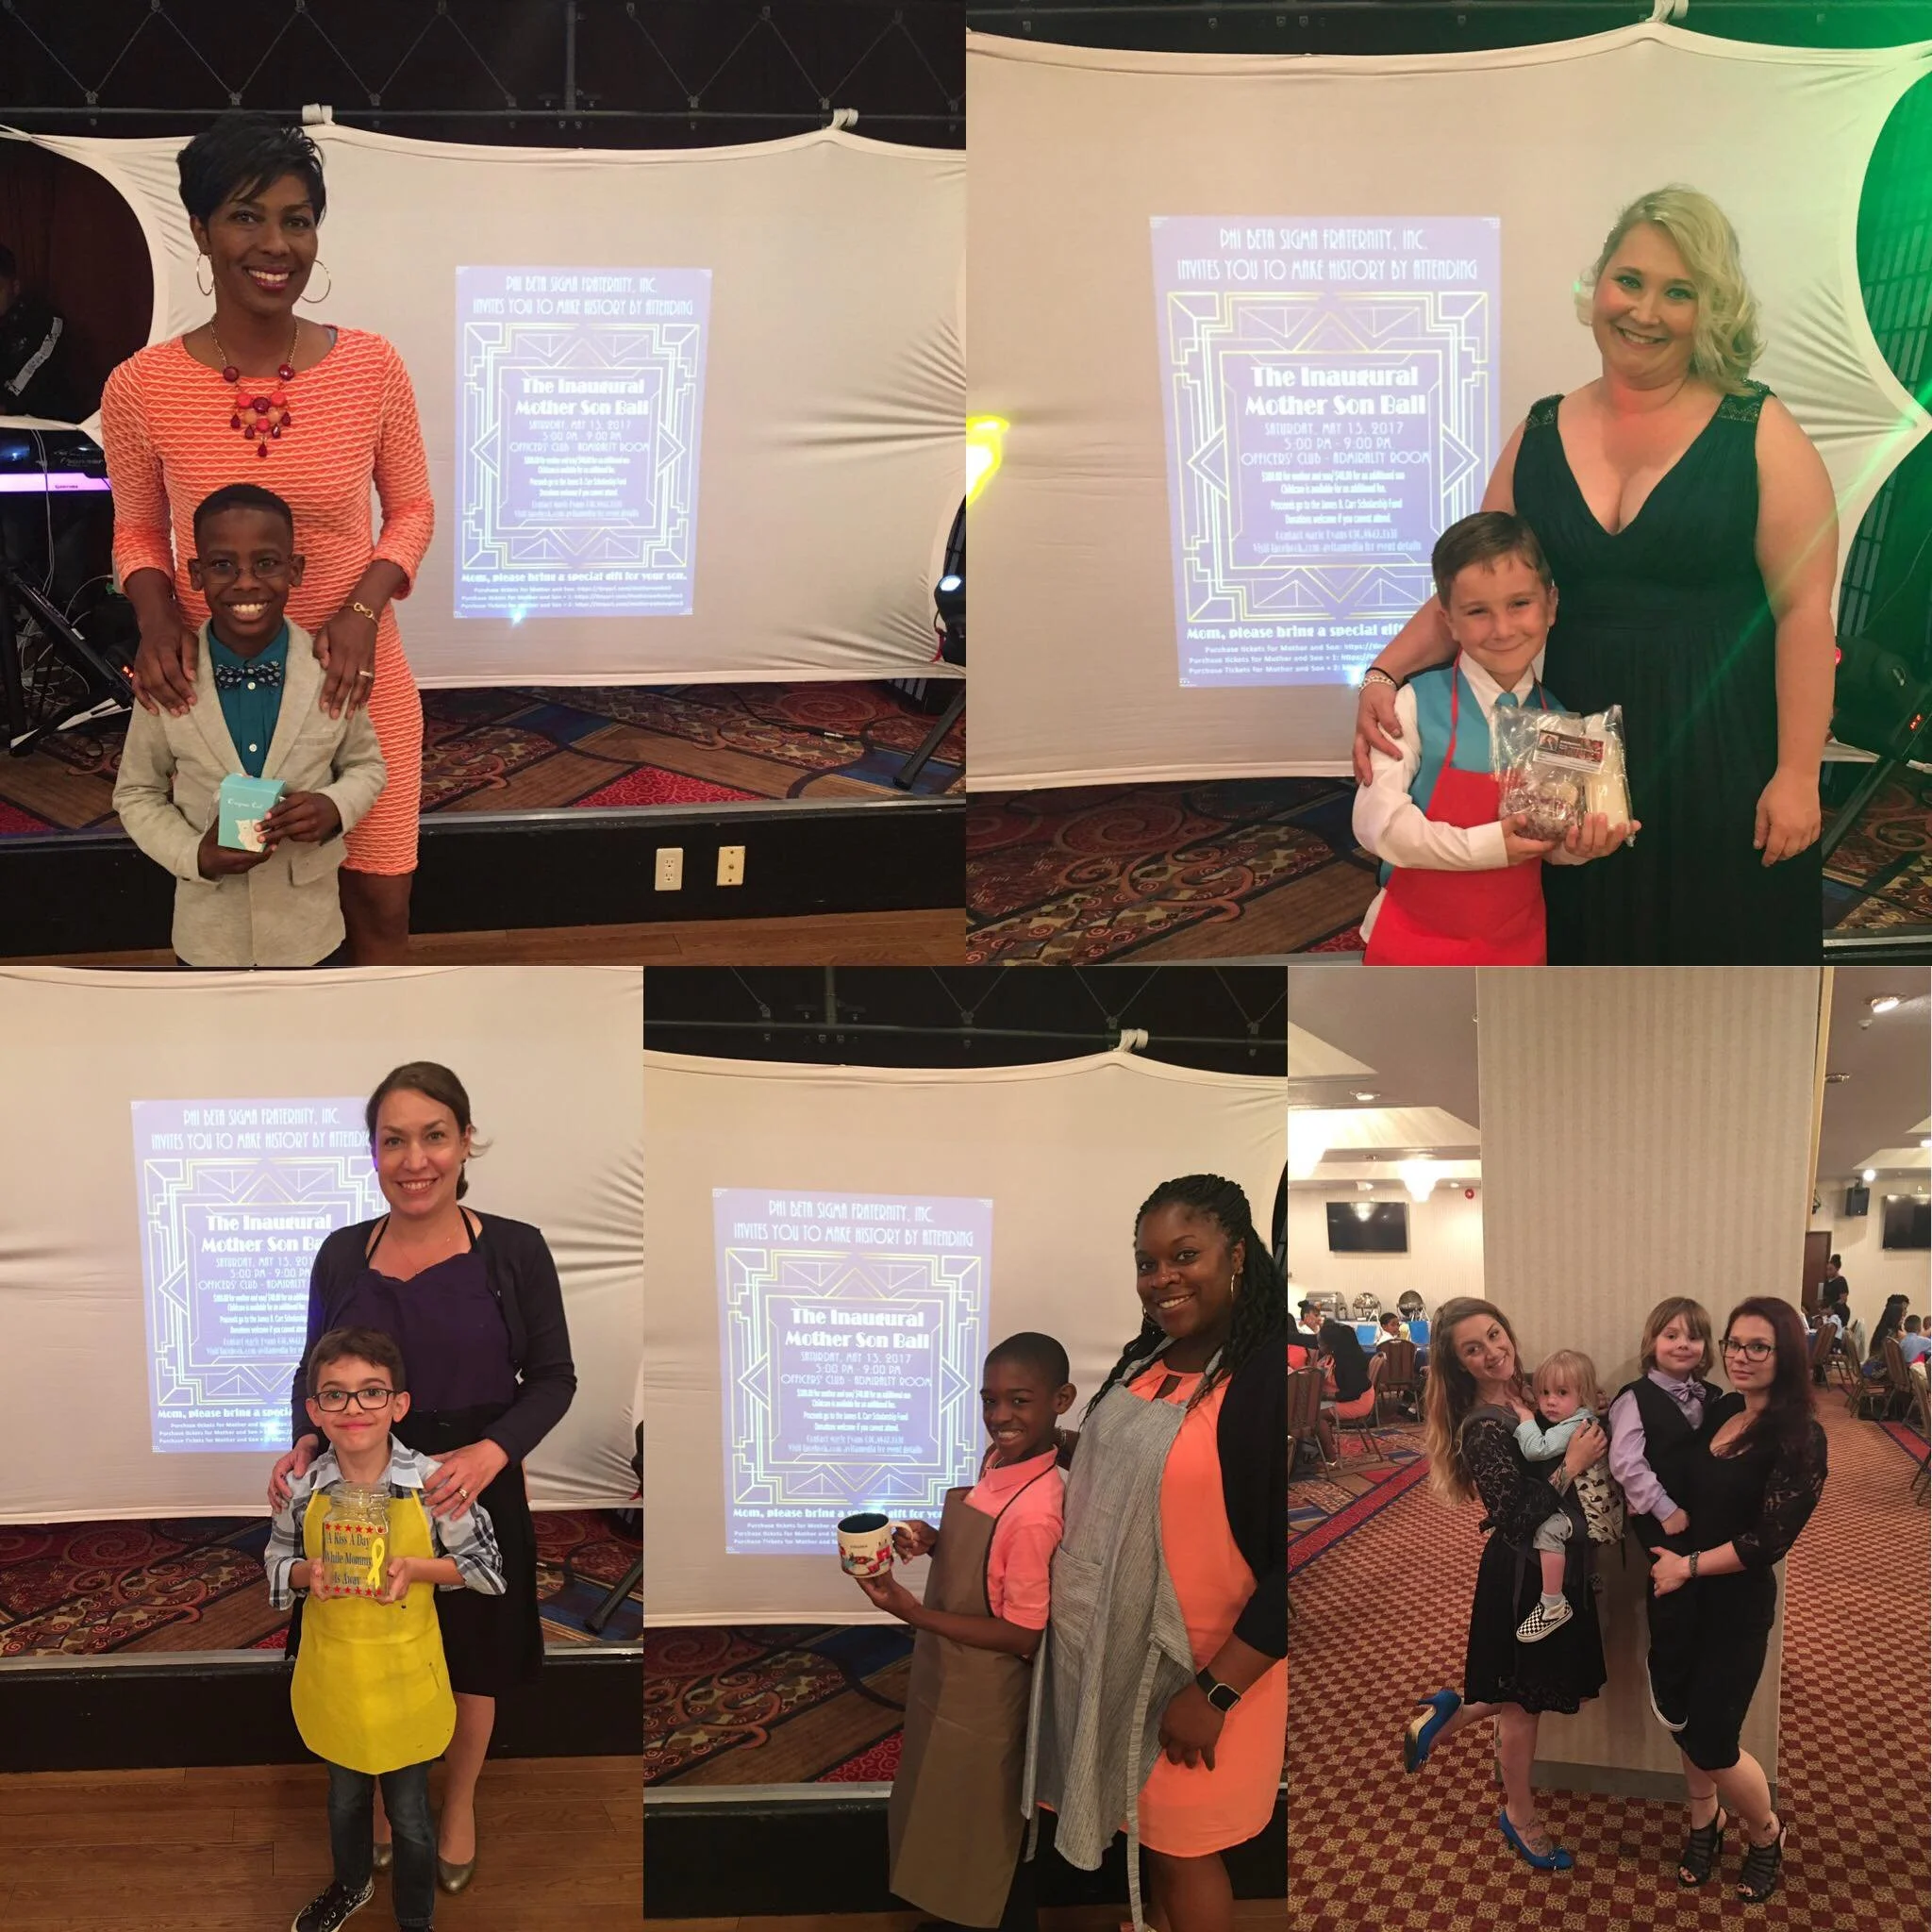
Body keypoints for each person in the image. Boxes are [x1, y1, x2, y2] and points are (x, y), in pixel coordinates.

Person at [1352, 187, 1837, 963]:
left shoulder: (1761, 430)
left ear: (1711, 309)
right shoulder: (1538, 431)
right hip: (1565, 749)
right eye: (1630, 280)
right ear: (1598, 284)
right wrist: (1383, 673)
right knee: (1584, 949)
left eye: (1680, 292)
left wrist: (1797, 773)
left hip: (1720, 746)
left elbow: (1806, 613)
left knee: (1724, 949)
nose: (1645, 310)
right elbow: (1469, 590)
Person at [99, 112, 434, 963]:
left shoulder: (371, 366)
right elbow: (136, 528)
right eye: (247, 216)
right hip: (220, 694)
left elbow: (413, 513)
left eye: (297, 219)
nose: (275, 244)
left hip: (355, 689)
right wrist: (157, 614)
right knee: (248, 911)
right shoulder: (141, 387)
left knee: (380, 912)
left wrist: (360, 609)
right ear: (202, 229)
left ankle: (371, 1083)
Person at [269, 1063, 575, 1892]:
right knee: (364, 1636)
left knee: (474, 1652)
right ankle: (375, 1791)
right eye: (393, 1140)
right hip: (358, 1482)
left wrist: (490, 1453)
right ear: (373, 1152)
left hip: (468, 1481)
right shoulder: (341, 1253)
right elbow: (315, 1372)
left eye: (434, 1135)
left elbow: (554, 1378)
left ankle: (460, 1801)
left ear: (466, 1140)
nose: (415, 1159)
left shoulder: (515, 1249)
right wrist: (305, 1441)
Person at [1024, 1175, 1287, 1932]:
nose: (1161, 1278)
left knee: (1184, 1849)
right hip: (1119, 1658)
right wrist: (1052, 1446)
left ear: (1237, 1255)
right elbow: (1146, 1470)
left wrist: (1215, 1693)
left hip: (1206, 1669)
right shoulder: (1155, 1354)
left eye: (1184, 1255)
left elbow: (1291, 1569)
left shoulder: (1265, 1373)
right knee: (1150, 1838)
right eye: (1147, 1262)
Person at [265, 1326, 506, 1932]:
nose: (354, 1409)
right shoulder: (300, 1488)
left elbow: (487, 1570)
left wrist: (418, 1568)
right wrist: (304, 1575)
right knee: (344, 1798)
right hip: (336, 1678)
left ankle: (415, 1918)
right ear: (314, 1410)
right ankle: (350, 1886)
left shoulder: (434, 1483)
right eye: (336, 1396)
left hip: (406, 1683)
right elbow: (275, 1562)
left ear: (399, 1403)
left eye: (371, 1393)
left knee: (411, 1814)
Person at [854, 1332, 1075, 1932]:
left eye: (1020, 1401)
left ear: (1061, 1400)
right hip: (950, 1674)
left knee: (985, 1829)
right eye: (989, 1400)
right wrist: (936, 1541)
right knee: (945, 1809)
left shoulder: (1037, 1511)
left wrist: (908, 1610)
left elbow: (1023, 1635)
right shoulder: (1000, 1463)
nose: (999, 1417)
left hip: (988, 1696)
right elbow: (989, 1565)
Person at [112, 483, 386, 967]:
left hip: (311, 934)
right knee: (216, 1043)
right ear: (195, 575)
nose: (245, 583)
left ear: (294, 570)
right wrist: (193, 854)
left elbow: (366, 766)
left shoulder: (329, 668)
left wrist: (334, 807)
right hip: (208, 937)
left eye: (266, 563)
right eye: (222, 565)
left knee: (312, 1041)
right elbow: (137, 792)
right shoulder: (169, 676)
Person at [1354, 511, 1636, 964]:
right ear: (1449, 622)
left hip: (1514, 943)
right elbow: (1377, 825)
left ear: (1552, 604)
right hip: (1411, 937)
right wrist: (1488, 847)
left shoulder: (1561, 722)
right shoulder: (1412, 703)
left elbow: (1550, 845)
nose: (1502, 629)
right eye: (1478, 611)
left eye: (1519, 604)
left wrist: (1578, 849)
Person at [1401, 1297, 1607, 1872]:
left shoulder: (1530, 1391)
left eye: (1495, 1336)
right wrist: (1575, 1462)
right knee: (1524, 1703)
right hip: (1522, 1575)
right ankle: (1519, 1815)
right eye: (1474, 1348)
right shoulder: (1480, 1430)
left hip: (1557, 1564)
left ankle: (1455, 1714)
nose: (1492, 1352)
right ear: (1459, 1364)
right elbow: (1515, 1516)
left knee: (1558, 1687)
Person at [1647, 1298, 1826, 1903]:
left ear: (1786, 1356)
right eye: (1733, 1343)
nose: (1740, 1357)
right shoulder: (1722, 1407)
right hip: (1679, 1592)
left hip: (1734, 1602)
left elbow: (1765, 1542)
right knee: (1683, 1719)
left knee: (1715, 1738)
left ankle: (1765, 1830)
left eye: (1758, 1346)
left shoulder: (1800, 1436)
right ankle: (1705, 1822)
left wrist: (1687, 1566)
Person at [1607, 1297, 1721, 1731]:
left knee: (1709, 1587)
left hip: (1704, 1512)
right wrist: (1666, 1509)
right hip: (1659, 1515)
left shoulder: (1712, 1397)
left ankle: (1697, 1672)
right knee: (1672, 1590)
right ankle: (1666, 1671)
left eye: (1693, 1336)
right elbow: (1626, 1464)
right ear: (1652, 1342)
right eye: (1671, 1335)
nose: (1682, 1344)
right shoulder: (1635, 1399)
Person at [1510, 1349, 1614, 1642]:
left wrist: (1525, 1416)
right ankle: (1590, 1575)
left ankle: (1552, 1603)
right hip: (1594, 1511)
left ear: (1582, 1396)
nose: (1550, 1401)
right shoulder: (1586, 1416)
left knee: (1547, 1530)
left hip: (1585, 1514)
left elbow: (1537, 1448)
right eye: (1544, 1392)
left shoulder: (1572, 1426)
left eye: (1562, 1392)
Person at [0, 243, 77, 420]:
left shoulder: (43, 320)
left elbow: (26, 385)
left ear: (15, 287)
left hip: (43, 427)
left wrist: (7, 405)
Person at [1314, 1318, 1373, 1464]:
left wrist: (1327, 1396)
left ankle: (1330, 1456)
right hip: (1345, 1396)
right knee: (1309, 1408)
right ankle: (1321, 1444)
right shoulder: (1335, 1356)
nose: (1318, 1346)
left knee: (1314, 1416)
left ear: (1331, 1345)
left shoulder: (1348, 1362)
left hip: (1357, 1401)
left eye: (1320, 1343)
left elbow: (1353, 1392)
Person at [1862, 1292, 1910, 1376]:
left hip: (1868, 1369)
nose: (1905, 1313)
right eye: (1904, 1309)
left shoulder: (1883, 1329)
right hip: (1876, 1371)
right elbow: (1913, 1340)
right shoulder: (1892, 1334)